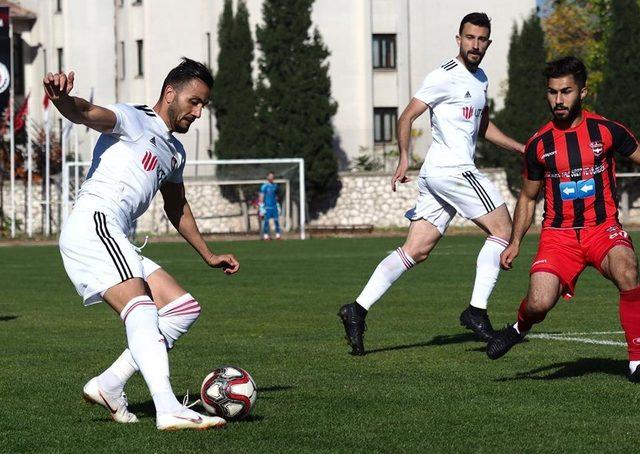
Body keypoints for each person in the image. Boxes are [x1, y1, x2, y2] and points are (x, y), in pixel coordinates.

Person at [50, 58, 240, 430]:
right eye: (194, 101)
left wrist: (208, 254)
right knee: (141, 308)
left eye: (204, 105)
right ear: (170, 94)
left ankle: (109, 384)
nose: (198, 112)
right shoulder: (135, 119)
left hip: (114, 233)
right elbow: (86, 112)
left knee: (182, 308)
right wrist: (61, 99)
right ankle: (168, 407)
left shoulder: (175, 152)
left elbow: (176, 206)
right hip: (95, 223)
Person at [338, 12, 524, 355]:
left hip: (440, 176)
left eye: (482, 39)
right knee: (503, 229)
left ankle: (357, 309)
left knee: (416, 250)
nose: (475, 45)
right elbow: (407, 115)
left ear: (488, 43)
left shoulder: (480, 78)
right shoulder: (443, 75)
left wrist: (520, 148)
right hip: (453, 170)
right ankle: (476, 311)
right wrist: (404, 157)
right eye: (470, 38)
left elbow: (482, 126)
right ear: (458, 39)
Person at [486, 57, 640, 382]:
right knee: (540, 303)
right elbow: (528, 198)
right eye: (552, 92)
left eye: (566, 92)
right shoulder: (539, 144)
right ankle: (519, 327)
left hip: (602, 229)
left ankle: (637, 359)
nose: (558, 100)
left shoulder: (607, 130)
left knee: (626, 269)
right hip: (559, 236)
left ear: (582, 92)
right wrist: (514, 242)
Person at [259, 171, 281, 240]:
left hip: (274, 207)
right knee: (266, 222)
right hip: (267, 207)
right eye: (270, 176)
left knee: (276, 221)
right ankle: (266, 237)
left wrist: (278, 205)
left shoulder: (275, 186)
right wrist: (262, 208)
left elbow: (276, 196)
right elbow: (261, 197)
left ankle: (278, 236)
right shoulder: (264, 186)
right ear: (267, 177)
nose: (272, 178)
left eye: (273, 176)